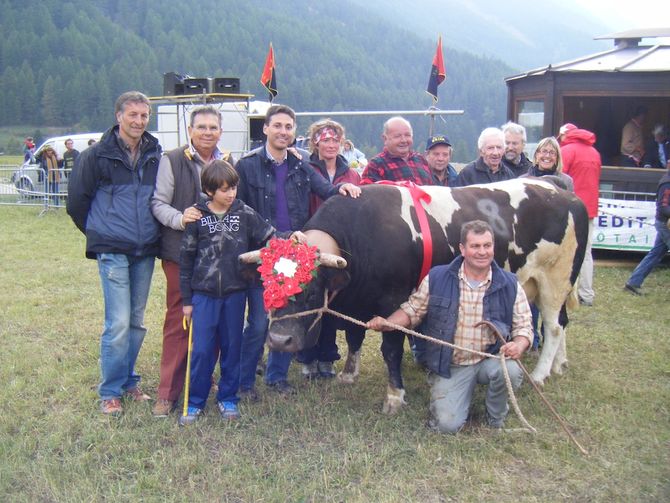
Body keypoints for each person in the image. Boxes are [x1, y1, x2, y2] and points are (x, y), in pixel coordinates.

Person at [235, 104, 361, 397]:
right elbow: (240, 209)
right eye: (277, 126)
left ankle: (277, 377)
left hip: (293, 258)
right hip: (263, 253)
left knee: (285, 316)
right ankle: (244, 381)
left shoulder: (300, 163)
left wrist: (341, 189)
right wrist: (275, 235)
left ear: (294, 133)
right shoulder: (247, 165)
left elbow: (323, 189)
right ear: (265, 129)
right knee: (256, 323)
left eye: (288, 127)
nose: (283, 132)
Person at [366, 220, 532, 433]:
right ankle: (456, 395)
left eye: (487, 245)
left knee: (509, 370)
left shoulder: (510, 283)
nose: (482, 252)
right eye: (475, 246)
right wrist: (388, 323)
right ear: (462, 249)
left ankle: (495, 417)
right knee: (446, 425)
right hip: (451, 365)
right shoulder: (437, 277)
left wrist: (519, 344)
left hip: (490, 359)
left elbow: (524, 326)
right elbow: (412, 310)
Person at [178, 161, 304, 425]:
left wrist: (289, 236)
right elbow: (186, 260)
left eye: (233, 187)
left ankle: (228, 397)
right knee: (201, 350)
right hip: (203, 295)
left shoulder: (244, 213)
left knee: (231, 346)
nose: (230, 194)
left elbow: (269, 236)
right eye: (224, 189)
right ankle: (195, 402)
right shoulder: (197, 218)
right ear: (209, 190)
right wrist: (187, 301)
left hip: (235, 294)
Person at [67, 91, 161, 416]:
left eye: (144, 115)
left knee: (135, 321)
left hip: (145, 249)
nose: (138, 121)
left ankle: (129, 381)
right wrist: (101, 233)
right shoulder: (96, 156)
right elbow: (76, 203)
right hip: (112, 250)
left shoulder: (155, 154)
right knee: (117, 323)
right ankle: (110, 390)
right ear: (118, 116)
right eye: (132, 115)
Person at [150, 105, 234, 417]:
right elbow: (158, 202)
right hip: (180, 255)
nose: (208, 132)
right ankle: (167, 392)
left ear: (221, 132)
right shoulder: (172, 160)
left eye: (213, 127)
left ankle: (203, 378)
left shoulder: (228, 162)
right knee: (179, 321)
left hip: (218, 258)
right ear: (190, 130)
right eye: (202, 127)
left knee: (211, 322)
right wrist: (179, 218)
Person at [298, 119, 363, 379]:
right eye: (326, 139)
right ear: (315, 141)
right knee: (307, 297)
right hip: (308, 240)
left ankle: (327, 355)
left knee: (332, 301)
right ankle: (306, 355)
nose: (331, 144)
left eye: (335, 140)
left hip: (341, 244)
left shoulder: (352, 174)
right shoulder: (303, 168)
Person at [523, 137, 573, 348]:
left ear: (557, 158)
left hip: (556, 241)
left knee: (555, 295)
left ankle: (552, 340)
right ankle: (531, 338)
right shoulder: (523, 179)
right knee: (530, 293)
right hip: (531, 242)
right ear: (536, 155)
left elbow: (570, 212)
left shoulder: (566, 181)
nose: (546, 156)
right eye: (543, 151)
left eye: (551, 153)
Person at [559, 123, 601, 306]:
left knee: (564, 251)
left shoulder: (566, 151)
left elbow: (560, 180)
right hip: (589, 209)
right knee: (586, 252)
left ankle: (566, 290)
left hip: (569, 209)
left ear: (563, 135)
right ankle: (587, 293)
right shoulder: (594, 152)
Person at [624, 167, 670, 295]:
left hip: (664, 223)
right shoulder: (667, 183)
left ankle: (633, 283)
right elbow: (663, 207)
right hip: (665, 224)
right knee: (655, 254)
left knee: (655, 254)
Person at [360, 117, 433, 185]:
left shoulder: (421, 159)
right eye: (397, 136)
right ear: (385, 139)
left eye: (407, 135)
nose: (403, 140)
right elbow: (367, 194)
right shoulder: (376, 165)